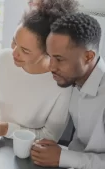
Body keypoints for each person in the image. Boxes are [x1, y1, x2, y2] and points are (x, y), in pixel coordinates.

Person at [0, 0, 79, 141]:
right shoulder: (2, 59)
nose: (14, 53)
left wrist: (6, 129)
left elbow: (50, 137)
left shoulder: (61, 82)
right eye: (14, 42)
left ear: (48, 52)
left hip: (30, 153)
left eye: (25, 50)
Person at [31, 13, 105, 169]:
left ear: (88, 57)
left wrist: (63, 157)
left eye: (59, 59)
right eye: (50, 57)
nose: (51, 66)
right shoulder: (74, 80)